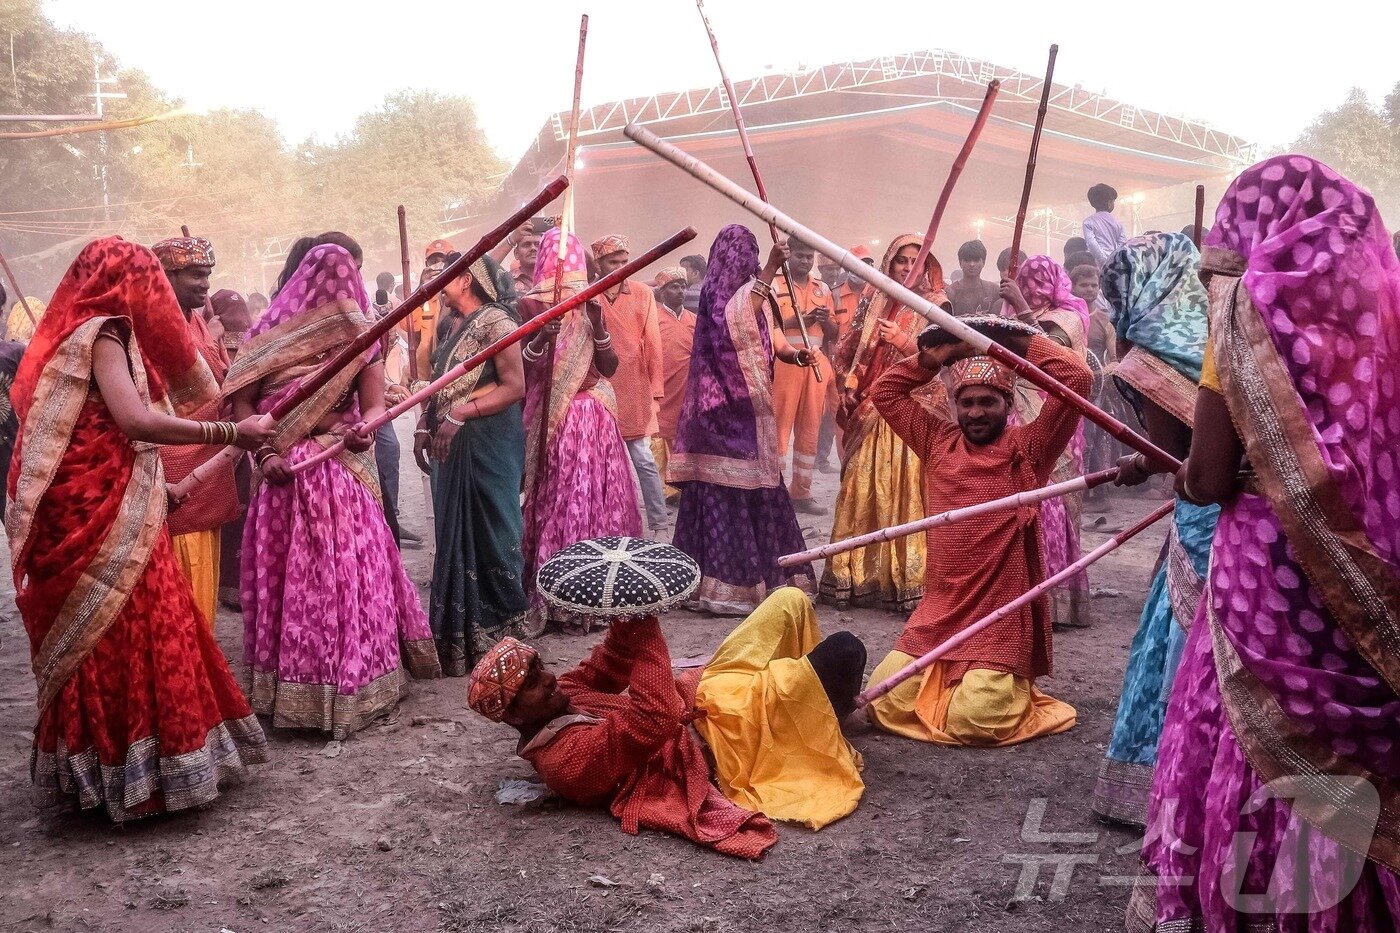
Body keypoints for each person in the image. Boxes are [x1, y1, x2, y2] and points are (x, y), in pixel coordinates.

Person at [1130, 157, 1400, 930]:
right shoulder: (1386, 315)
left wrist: (1182, 477)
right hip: (1374, 564)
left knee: (1264, 736)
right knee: (1355, 743)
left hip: (1266, 575)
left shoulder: (1246, 320)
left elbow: (1209, 476)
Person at [9, 236, 272, 819]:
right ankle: (140, 774)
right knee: (134, 623)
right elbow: (133, 422)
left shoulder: (75, 339)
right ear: (129, 283)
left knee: (114, 629)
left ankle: (105, 773)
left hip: (101, 503)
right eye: (151, 278)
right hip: (101, 514)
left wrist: (177, 484)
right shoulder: (106, 332)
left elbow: (103, 432)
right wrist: (232, 435)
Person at [466, 587, 866, 854]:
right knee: (845, 650)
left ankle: (808, 712)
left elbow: (614, 660)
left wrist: (627, 608)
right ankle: (815, 718)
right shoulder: (566, 763)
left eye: (540, 668)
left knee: (789, 600)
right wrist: (647, 626)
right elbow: (654, 717)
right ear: (514, 714)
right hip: (722, 741)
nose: (550, 679)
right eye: (533, 683)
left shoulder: (562, 695)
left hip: (704, 692)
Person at [227, 242, 441, 737]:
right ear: (308, 281)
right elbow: (242, 408)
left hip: (338, 472)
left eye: (349, 279)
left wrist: (364, 429)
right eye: (335, 279)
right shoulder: (266, 338)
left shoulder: (364, 340)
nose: (344, 290)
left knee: (343, 576)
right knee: (294, 581)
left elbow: (371, 408)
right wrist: (266, 454)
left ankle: (356, 680)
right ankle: (292, 687)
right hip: (281, 479)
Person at [865, 317, 1090, 745]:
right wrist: (939, 357)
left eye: (988, 402)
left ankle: (986, 689)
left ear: (1008, 404)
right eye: (966, 402)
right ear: (954, 405)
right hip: (939, 611)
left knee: (977, 723)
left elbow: (1078, 379)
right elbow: (885, 391)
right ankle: (949, 689)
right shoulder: (936, 439)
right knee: (884, 702)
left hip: (999, 616)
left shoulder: (1028, 449)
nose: (975, 412)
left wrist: (1016, 345)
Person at [1087, 231, 1218, 826]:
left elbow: (1172, 462)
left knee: (1179, 642)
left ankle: (1163, 782)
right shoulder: (1218, 336)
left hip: (1205, 516)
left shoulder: (1148, 362)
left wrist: (1137, 463)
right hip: (1252, 514)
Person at [670, 226, 816, 614]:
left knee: (763, 485)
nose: (748, 262)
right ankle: (719, 587)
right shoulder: (716, 293)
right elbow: (735, 322)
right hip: (719, 413)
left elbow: (776, 340)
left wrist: (796, 355)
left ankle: (767, 580)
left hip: (754, 410)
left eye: (753, 254)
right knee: (724, 489)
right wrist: (769, 270)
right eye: (743, 254)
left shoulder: (761, 295)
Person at [519, 230, 642, 631]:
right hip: (556, 417)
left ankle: (599, 593)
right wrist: (542, 334)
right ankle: (560, 594)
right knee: (559, 497)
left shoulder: (593, 300)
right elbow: (524, 370)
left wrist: (596, 322)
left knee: (597, 501)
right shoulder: (531, 304)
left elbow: (608, 368)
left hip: (595, 416)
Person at [416, 254, 530, 674]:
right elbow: (439, 387)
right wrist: (425, 427)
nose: (437, 285)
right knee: (453, 532)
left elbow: (514, 386)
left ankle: (502, 629)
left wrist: (459, 415)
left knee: (494, 528)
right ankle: (461, 635)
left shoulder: (498, 322)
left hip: (488, 440)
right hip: (452, 442)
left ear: (466, 280)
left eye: (446, 277)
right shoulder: (453, 327)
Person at [823, 234, 946, 611]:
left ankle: (907, 578)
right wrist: (848, 381)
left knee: (907, 489)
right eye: (901, 261)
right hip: (869, 408)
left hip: (911, 407)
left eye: (916, 261)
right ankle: (857, 575)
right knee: (863, 484)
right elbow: (847, 349)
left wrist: (906, 343)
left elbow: (944, 359)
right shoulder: (873, 301)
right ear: (890, 264)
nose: (909, 268)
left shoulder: (937, 305)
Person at [151, 236, 241, 629]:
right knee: (179, 607)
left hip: (209, 471)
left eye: (207, 275)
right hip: (176, 476)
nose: (205, 285)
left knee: (201, 600)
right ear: (164, 276)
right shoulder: (152, 324)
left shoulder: (197, 322)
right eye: (195, 275)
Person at [1000, 256, 1093, 629]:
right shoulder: (1009, 316)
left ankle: (1052, 598)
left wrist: (1022, 309)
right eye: (1028, 283)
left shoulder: (1068, 319)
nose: (1035, 290)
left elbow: (1052, 358)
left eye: (1041, 283)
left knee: (1049, 502)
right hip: (1015, 411)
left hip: (1053, 413)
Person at [592, 234, 668, 536]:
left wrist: (656, 390)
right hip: (600, 386)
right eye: (614, 262)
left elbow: (653, 342)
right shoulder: (589, 295)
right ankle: (612, 524)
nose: (622, 267)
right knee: (603, 461)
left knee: (644, 458)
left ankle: (660, 524)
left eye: (626, 262)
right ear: (598, 264)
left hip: (636, 385)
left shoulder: (641, 293)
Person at [771, 240, 836, 512]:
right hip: (784, 363)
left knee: (810, 428)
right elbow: (768, 326)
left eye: (809, 257)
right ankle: (773, 494)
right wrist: (801, 321)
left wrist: (824, 320)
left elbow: (834, 334)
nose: (805, 261)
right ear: (788, 256)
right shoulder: (775, 286)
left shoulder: (823, 288)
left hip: (815, 365)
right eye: (800, 256)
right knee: (779, 430)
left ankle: (801, 493)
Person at [651, 267, 695, 504]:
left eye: (683, 286)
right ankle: (668, 489)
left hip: (687, 387)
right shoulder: (653, 318)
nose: (680, 292)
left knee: (684, 434)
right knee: (661, 435)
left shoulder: (693, 319)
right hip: (661, 386)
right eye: (674, 287)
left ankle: (684, 482)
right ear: (662, 291)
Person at [946, 240, 1000, 317]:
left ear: (983, 262)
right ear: (960, 263)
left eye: (976, 260)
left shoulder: (993, 290)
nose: (972, 264)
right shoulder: (951, 293)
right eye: (967, 260)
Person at [1082, 183, 1126, 268]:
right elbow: (1123, 244)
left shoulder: (1088, 222)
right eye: (1113, 201)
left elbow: (1091, 244)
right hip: (1116, 263)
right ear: (1109, 203)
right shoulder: (1117, 222)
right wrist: (1116, 260)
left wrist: (1103, 261)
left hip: (1097, 265)